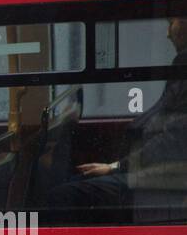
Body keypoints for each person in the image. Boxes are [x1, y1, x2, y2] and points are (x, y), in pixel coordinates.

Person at [47, 18, 187, 213]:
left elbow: (173, 139)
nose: (167, 32)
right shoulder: (180, 66)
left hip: (165, 178)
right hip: (158, 172)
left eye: (172, 22)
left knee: (62, 195)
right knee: (76, 180)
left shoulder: (183, 68)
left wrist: (116, 167)